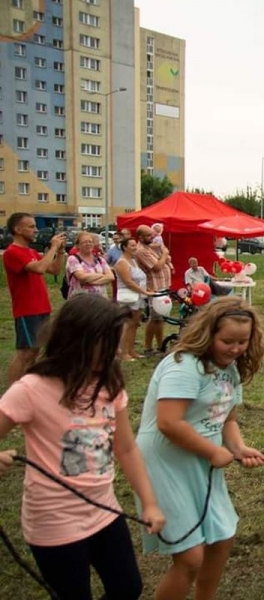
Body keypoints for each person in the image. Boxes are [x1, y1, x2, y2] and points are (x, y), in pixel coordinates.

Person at [0, 294, 166, 600]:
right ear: (78, 340)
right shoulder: (31, 389)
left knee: (128, 587)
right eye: (110, 343)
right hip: (54, 521)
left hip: (104, 510)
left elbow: (126, 449)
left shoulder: (109, 384)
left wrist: (150, 502)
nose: (118, 351)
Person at [135, 296, 264, 600]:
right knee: (190, 557)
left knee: (222, 537)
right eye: (227, 341)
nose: (235, 349)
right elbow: (168, 422)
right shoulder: (184, 366)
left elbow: (227, 419)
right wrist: (212, 452)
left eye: (242, 341)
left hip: (202, 462)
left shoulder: (230, 370)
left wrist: (238, 448)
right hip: (166, 463)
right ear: (209, 333)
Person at [3, 213, 67, 384]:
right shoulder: (12, 252)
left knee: (35, 351)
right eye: (31, 226)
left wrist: (60, 251)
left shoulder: (31, 251)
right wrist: (52, 247)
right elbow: (39, 269)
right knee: (24, 352)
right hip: (27, 309)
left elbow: (54, 270)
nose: (36, 230)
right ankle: (13, 390)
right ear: (18, 229)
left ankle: (26, 385)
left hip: (42, 307)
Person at [134, 224, 172, 356]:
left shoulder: (150, 247)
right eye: (148, 235)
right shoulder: (141, 251)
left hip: (162, 285)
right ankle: (148, 347)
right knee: (154, 318)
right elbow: (157, 266)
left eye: (152, 234)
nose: (152, 237)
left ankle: (161, 345)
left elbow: (166, 260)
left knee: (160, 318)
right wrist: (165, 254)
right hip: (154, 287)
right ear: (140, 237)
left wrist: (165, 257)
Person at [115, 238, 152, 361]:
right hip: (128, 297)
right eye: (132, 245)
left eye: (135, 245)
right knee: (127, 325)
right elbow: (128, 281)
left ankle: (131, 350)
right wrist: (144, 291)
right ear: (125, 247)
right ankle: (123, 352)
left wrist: (146, 290)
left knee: (135, 323)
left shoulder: (133, 261)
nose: (135, 247)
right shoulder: (122, 262)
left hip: (138, 297)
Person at [66, 231, 114, 298]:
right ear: (78, 245)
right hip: (80, 300)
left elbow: (111, 277)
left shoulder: (100, 259)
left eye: (90, 242)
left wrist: (90, 282)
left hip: (100, 300)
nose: (88, 244)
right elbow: (82, 277)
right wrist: (102, 275)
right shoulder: (73, 259)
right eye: (84, 242)